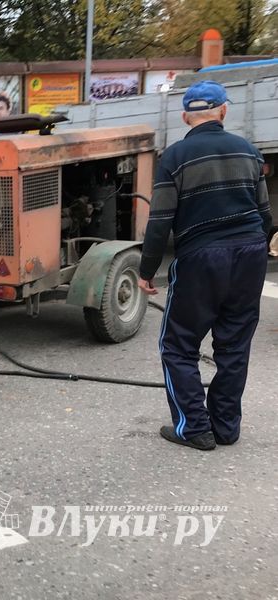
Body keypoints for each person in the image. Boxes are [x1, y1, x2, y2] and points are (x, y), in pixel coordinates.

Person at [138, 80, 273, 451]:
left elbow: (160, 220)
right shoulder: (248, 151)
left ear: (185, 117)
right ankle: (226, 428)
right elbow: (264, 213)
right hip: (250, 252)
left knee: (177, 345)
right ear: (224, 111)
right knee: (234, 345)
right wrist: (260, 247)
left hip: (202, 257)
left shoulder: (176, 156)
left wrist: (146, 271)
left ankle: (193, 427)